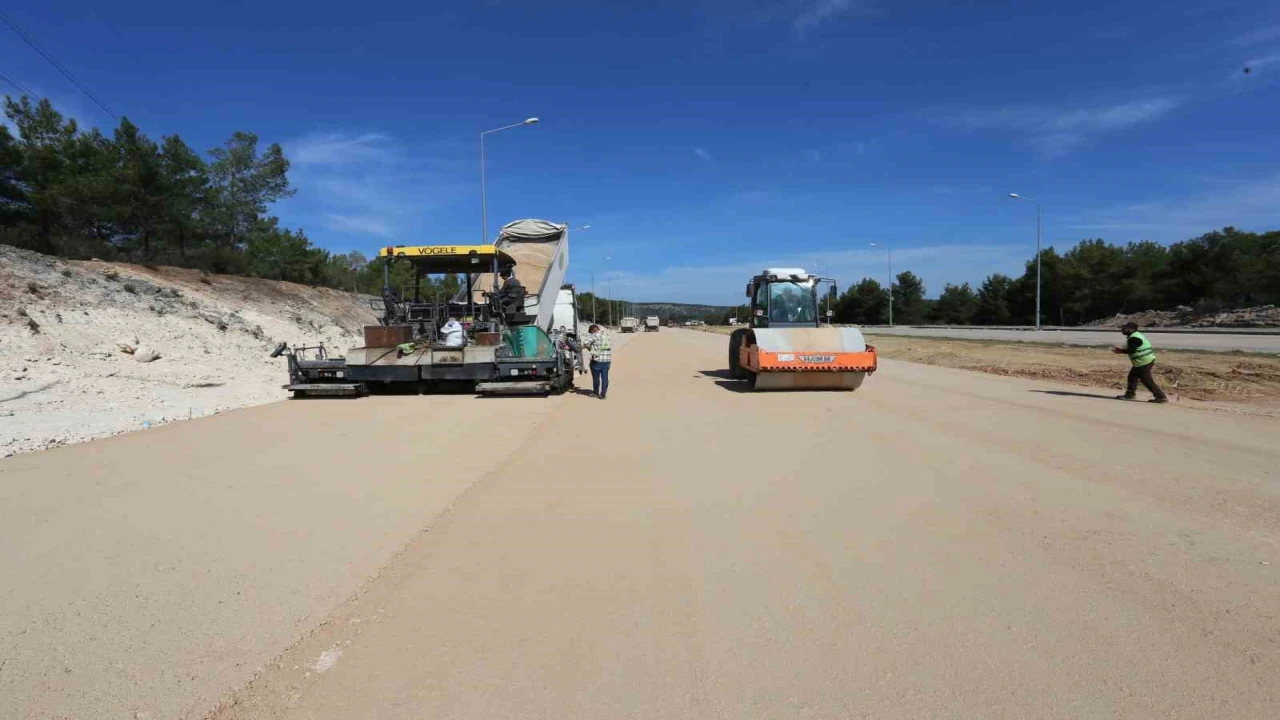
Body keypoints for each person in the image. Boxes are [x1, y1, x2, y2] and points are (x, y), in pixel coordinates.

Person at [1112, 322, 1168, 403]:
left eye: (1125, 328)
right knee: (1132, 377)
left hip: (1144, 362)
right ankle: (1130, 394)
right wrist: (1121, 350)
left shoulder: (1134, 338)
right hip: (1144, 361)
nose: (1122, 330)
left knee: (1147, 381)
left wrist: (1120, 351)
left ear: (1131, 329)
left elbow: (1132, 350)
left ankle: (1161, 397)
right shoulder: (1136, 336)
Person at [582, 323, 612, 399]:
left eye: (591, 332)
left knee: (596, 378)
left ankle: (595, 392)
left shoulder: (594, 335)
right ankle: (603, 395)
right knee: (605, 378)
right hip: (607, 361)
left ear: (592, 330)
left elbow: (585, 343)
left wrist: (590, 348)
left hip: (597, 361)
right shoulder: (607, 335)